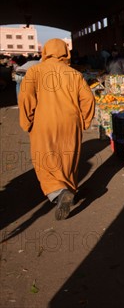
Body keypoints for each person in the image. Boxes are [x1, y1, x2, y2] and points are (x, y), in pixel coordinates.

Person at [18, 38, 95, 220]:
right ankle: (67, 188)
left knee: (45, 159)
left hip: (44, 123)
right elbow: (88, 99)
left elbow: (26, 99)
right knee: (68, 158)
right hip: (71, 123)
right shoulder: (74, 74)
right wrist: (85, 120)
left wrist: (26, 122)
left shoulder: (35, 72)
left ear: (45, 52)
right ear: (65, 52)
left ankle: (57, 191)